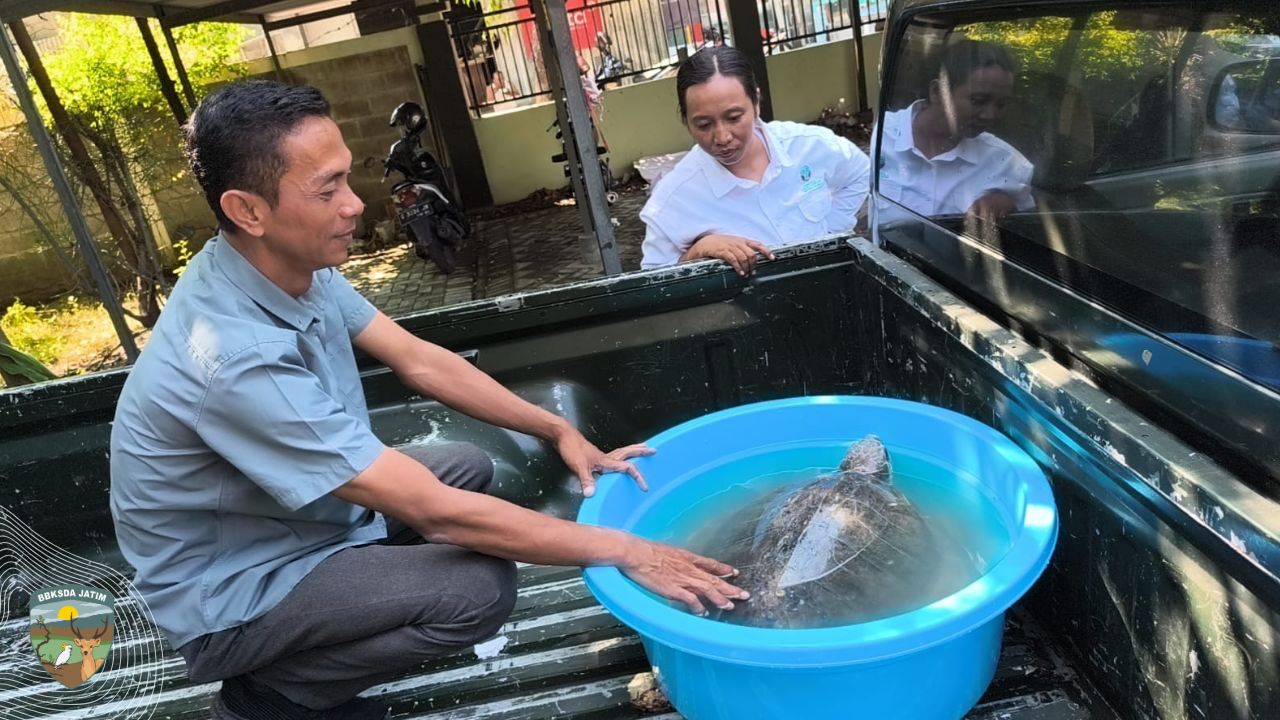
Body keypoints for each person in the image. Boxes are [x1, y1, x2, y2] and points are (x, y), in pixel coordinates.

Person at [109, 80, 746, 720]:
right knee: (475, 589)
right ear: (248, 210)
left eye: (346, 180)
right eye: (326, 191)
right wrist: (629, 548)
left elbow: (417, 358)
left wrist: (556, 430)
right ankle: (272, 696)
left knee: (467, 463)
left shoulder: (283, 265)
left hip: (290, 521)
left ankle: (356, 599)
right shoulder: (232, 355)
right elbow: (438, 516)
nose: (354, 205)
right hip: (231, 590)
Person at [639, 46, 872, 275]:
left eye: (734, 117)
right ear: (686, 121)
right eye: (704, 125)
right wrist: (696, 253)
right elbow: (653, 281)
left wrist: (830, 236)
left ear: (757, 102)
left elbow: (861, 173)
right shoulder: (674, 198)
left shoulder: (807, 145)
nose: (722, 137)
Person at [876, 39, 1034, 224]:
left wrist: (1008, 204)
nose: (990, 115)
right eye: (979, 100)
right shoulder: (880, 136)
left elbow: (1025, 226)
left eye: (1001, 104)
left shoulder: (1009, 165)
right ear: (937, 92)